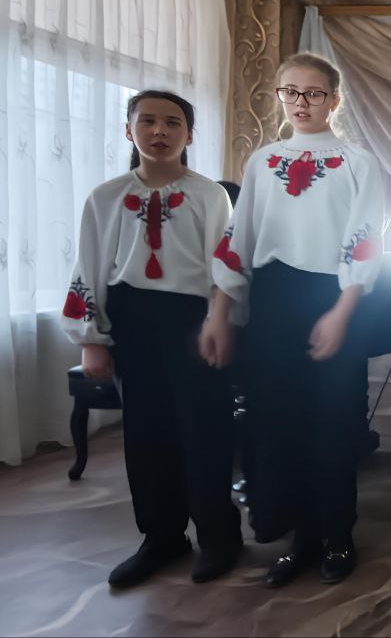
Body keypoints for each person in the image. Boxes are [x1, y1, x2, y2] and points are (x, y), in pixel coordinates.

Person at [201, 52, 386, 587]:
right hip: (274, 300)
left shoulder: (358, 162)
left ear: (334, 99)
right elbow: (240, 239)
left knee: (336, 421)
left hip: (333, 296)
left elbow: (365, 240)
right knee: (280, 421)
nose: (301, 102)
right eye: (291, 91)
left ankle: (338, 536)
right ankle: (300, 539)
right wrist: (219, 313)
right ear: (279, 95)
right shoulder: (262, 162)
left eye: (314, 93)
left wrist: (342, 312)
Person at [63, 90, 242, 587]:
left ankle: (219, 536)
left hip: (193, 321)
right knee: (146, 435)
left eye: (172, 123)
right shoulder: (105, 198)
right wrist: (91, 339)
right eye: (147, 121)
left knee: (205, 431)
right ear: (129, 130)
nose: (159, 131)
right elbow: (89, 266)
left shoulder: (211, 195)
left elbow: (226, 267)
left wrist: (219, 322)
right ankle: (161, 537)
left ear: (189, 135)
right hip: (133, 321)